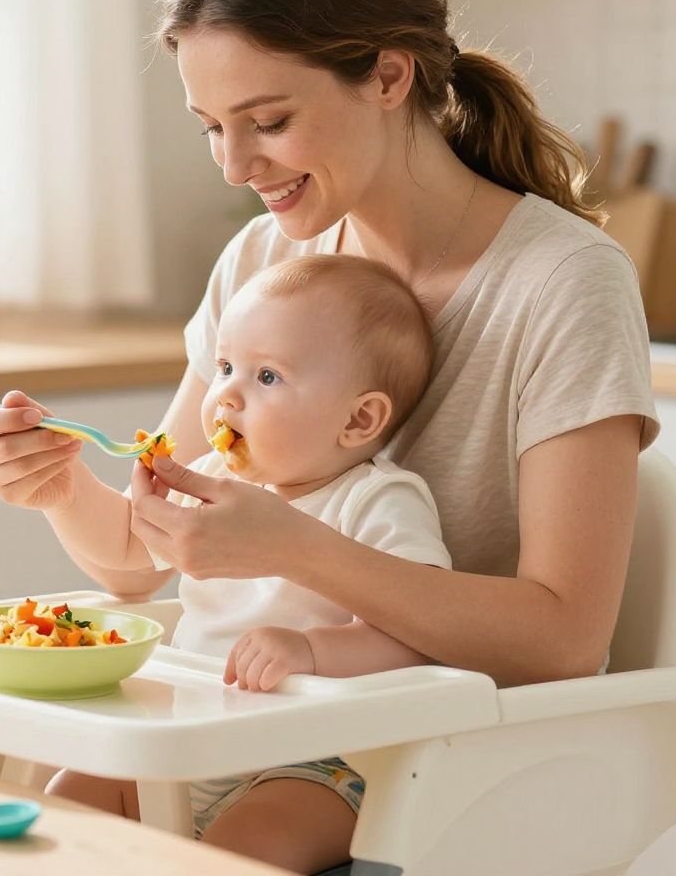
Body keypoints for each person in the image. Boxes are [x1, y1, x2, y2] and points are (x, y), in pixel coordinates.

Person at [0, 0, 658, 874]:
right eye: (211, 127)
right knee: (41, 837)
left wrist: (296, 547)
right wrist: (57, 484)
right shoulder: (261, 267)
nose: (234, 165)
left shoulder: (563, 283)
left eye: (269, 121)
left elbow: (564, 641)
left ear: (387, 75)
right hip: (245, 725)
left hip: (440, 760)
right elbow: (137, 556)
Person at [38, 251, 453, 859]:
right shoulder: (212, 475)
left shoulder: (376, 499)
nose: (225, 397)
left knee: (245, 848)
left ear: (359, 418)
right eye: (226, 365)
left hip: (314, 765)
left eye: (266, 378)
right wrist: (66, 481)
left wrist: (311, 650)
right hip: (189, 739)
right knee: (67, 801)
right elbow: (129, 547)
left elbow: (423, 632)